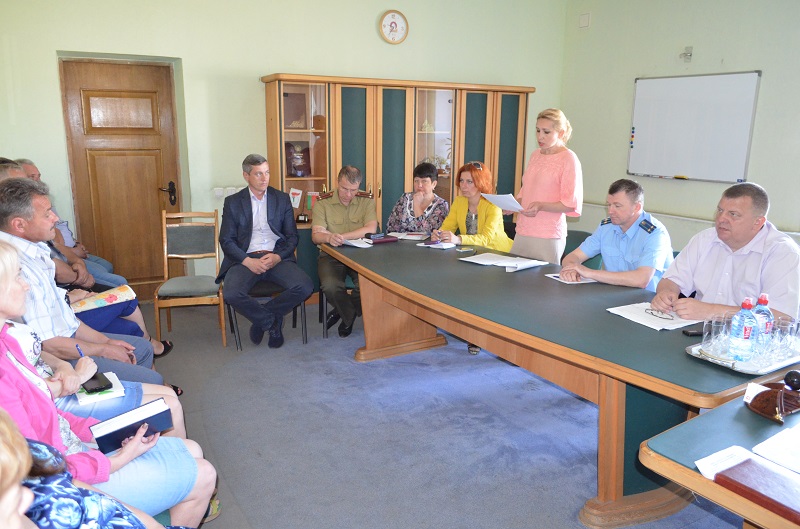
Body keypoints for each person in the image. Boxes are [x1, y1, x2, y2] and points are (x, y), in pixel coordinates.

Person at [0, 243, 217, 527]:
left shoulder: (8, 340)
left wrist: (107, 435)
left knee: (191, 448)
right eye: (16, 277)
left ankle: (169, 495)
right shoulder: (4, 375)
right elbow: (42, 468)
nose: (25, 285)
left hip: (74, 447)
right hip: (67, 479)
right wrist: (117, 458)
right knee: (204, 471)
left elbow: (53, 417)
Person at [0, 178, 161, 385]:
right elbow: (48, 345)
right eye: (47, 214)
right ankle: (141, 393)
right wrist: (103, 349)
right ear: (19, 224)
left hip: (67, 342)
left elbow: (68, 322)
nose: (56, 218)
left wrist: (107, 341)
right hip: (56, 361)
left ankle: (139, 393)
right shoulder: (16, 267)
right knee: (154, 380)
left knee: (142, 348)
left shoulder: (36, 249)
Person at [651, 182, 800, 320]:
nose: (721, 218)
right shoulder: (704, 239)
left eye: (733, 214)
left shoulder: (782, 252)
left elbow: (782, 315)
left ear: (757, 222)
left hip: (749, 336)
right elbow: (671, 280)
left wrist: (711, 311)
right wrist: (666, 294)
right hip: (696, 329)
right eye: (720, 210)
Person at [217, 154, 313, 348]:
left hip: (276, 256)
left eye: (267, 173)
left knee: (305, 286)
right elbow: (226, 240)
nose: (264, 178)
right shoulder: (233, 202)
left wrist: (277, 257)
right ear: (246, 176)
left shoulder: (282, 199)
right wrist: (247, 261)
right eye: (258, 174)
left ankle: (263, 317)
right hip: (246, 258)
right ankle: (271, 322)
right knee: (231, 293)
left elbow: (292, 237)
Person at [15, 158, 126, 289]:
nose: (37, 181)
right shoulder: (26, 217)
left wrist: (75, 246)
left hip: (71, 252)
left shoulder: (44, 201)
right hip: (65, 259)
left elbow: (59, 231)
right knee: (119, 283)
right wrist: (74, 257)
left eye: (38, 176)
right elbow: (54, 247)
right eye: (31, 177)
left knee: (107, 266)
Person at [560, 179, 673, 292]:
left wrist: (588, 272)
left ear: (637, 207)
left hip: (648, 299)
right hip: (614, 294)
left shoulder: (655, 233)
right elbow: (573, 257)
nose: (610, 211)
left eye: (617, 206)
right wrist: (572, 269)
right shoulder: (606, 227)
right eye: (609, 205)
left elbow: (642, 279)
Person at [509, 108, 583, 264]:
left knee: (541, 279)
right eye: (537, 130)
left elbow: (570, 204)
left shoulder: (568, 158)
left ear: (561, 133)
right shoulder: (535, 155)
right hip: (523, 230)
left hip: (548, 234)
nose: (540, 136)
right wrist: (512, 205)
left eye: (546, 132)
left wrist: (541, 205)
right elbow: (525, 192)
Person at [312, 166, 378, 337]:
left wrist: (341, 236)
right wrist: (329, 238)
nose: (348, 194)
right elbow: (316, 236)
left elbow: (371, 228)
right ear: (337, 182)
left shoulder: (366, 201)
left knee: (368, 285)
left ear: (359, 186)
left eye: (353, 190)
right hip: (331, 254)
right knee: (330, 286)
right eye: (344, 189)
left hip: (361, 254)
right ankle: (349, 314)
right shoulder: (322, 202)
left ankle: (342, 313)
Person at [432, 161, 512, 252]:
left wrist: (459, 239)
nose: (463, 186)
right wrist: (439, 234)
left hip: (498, 253)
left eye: (469, 182)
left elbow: (486, 239)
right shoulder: (459, 202)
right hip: (471, 252)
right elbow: (448, 226)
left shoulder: (493, 205)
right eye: (461, 181)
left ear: (481, 183)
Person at [385, 162, 449, 234]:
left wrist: (417, 205)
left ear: (434, 184)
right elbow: (390, 227)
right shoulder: (405, 198)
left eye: (424, 181)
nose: (419, 185)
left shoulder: (441, 205)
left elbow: (428, 232)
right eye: (416, 181)